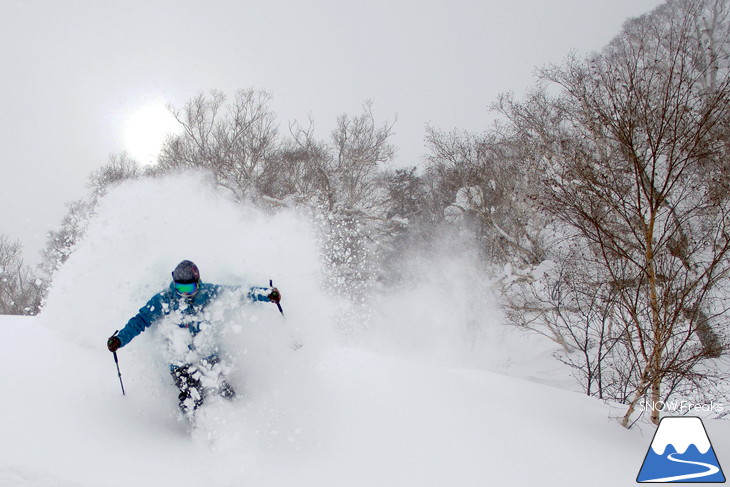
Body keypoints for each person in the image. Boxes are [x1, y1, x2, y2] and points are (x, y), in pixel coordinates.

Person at [106, 260, 281, 420]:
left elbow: (238, 294)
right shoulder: (163, 300)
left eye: (189, 289)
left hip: (208, 355)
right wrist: (120, 339)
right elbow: (140, 320)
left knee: (223, 392)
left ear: (198, 283)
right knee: (193, 395)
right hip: (180, 361)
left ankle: (239, 419)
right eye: (180, 289)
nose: (184, 294)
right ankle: (197, 430)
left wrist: (266, 294)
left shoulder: (209, 293)